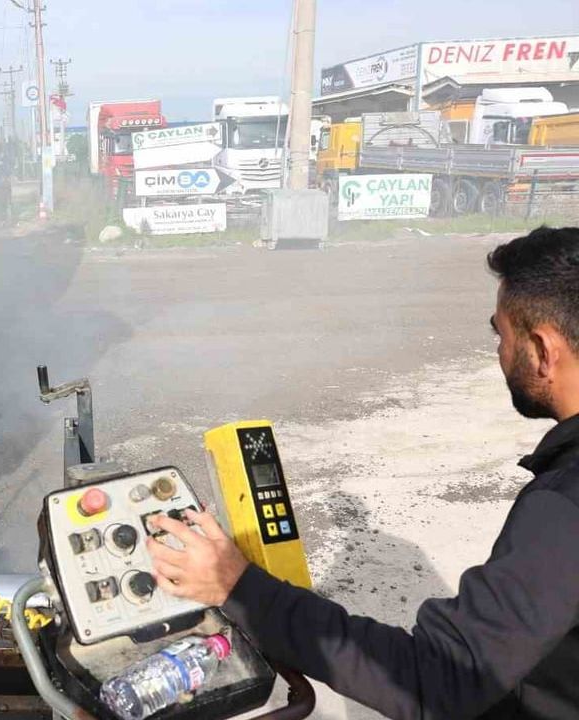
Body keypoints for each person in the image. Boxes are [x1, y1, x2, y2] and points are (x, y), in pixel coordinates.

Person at [147, 226, 579, 720]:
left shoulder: (564, 505)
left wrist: (237, 587)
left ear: (544, 350)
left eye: (500, 334)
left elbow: (435, 680)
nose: (499, 353)